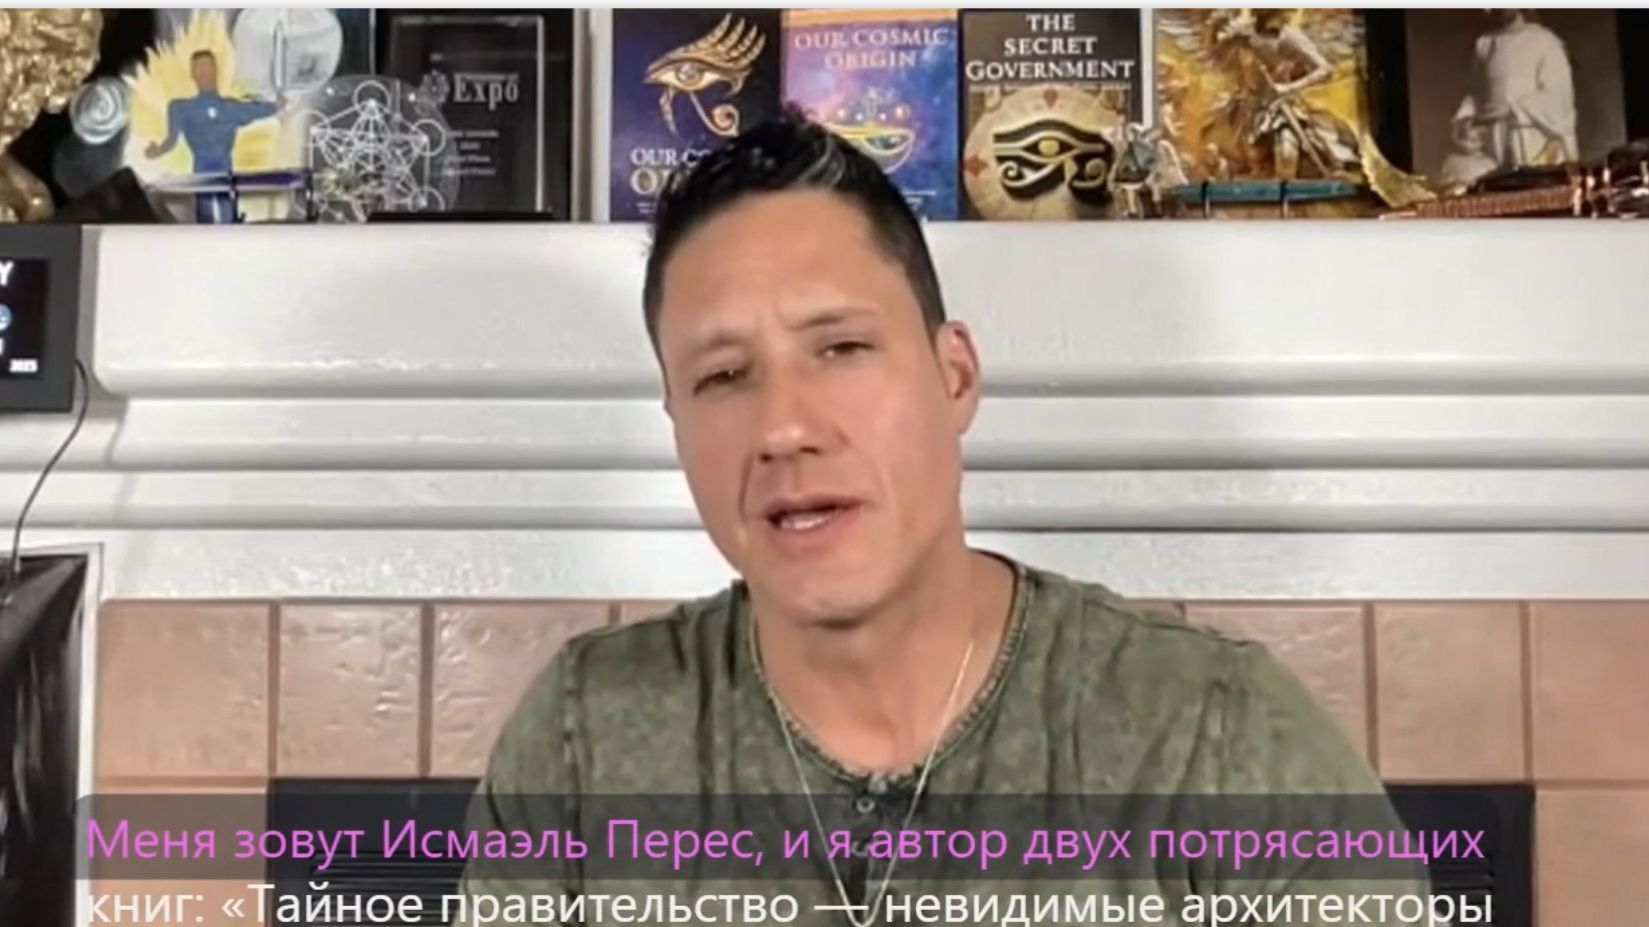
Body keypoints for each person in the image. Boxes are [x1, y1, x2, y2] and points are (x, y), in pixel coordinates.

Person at [454, 110, 1430, 925]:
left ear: (953, 376)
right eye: (722, 376)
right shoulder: (581, 741)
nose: (784, 427)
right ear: (676, 424)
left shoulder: (1213, 736)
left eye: (840, 348)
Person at [144, 49, 280, 223]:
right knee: (207, 218)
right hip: (202, 176)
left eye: (207, 67)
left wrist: (277, 105)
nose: (203, 73)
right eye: (198, 69)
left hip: (225, 176)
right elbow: (171, 141)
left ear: (216, 70)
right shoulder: (181, 108)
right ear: (192, 74)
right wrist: (156, 151)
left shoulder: (231, 108)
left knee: (227, 217)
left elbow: (262, 110)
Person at [1448, 9, 1578, 182]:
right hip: (1494, 146)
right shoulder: (1485, 44)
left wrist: (1512, 110)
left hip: (1533, 146)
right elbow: (1475, 94)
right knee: (1459, 172)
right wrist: (1466, 120)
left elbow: (1558, 100)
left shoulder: (1545, 42)